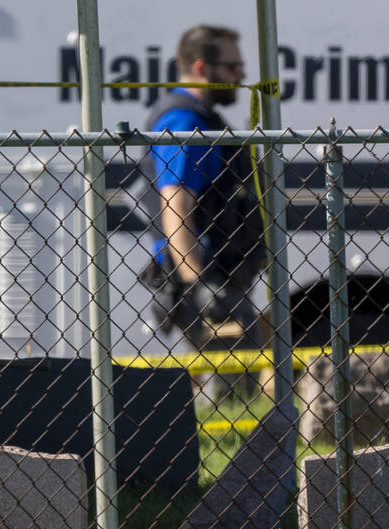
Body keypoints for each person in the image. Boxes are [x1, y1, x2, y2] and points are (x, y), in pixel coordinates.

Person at [138, 24, 265, 403]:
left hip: (220, 274)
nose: (242, 75)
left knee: (236, 394)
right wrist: (199, 284)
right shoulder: (184, 123)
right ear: (201, 66)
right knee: (229, 401)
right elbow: (175, 206)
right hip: (209, 280)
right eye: (233, 66)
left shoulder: (202, 118)